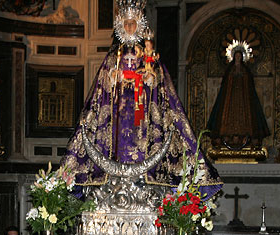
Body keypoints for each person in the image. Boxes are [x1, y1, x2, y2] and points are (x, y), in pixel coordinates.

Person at [59, 0, 222, 197]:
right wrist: (112, 79)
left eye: (133, 23)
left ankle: (147, 181)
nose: (129, 27)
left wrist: (150, 79)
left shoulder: (149, 56)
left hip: (142, 113)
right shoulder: (113, 57)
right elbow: (101, 89)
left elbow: (161, 87)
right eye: (126, 23)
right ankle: (111, 179)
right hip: (117, 115)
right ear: (120, 25)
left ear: (139, 25)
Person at [206, 45, 270, 150]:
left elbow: (249, 84)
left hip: (243, 97)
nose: (238, 58)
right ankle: (227, 137)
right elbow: (225, 84)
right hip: (230, 98)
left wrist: (241, 78)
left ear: (242, 57)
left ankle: (246, 137)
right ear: (234, 57)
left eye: (240, 56)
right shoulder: (230, 69)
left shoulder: (245, 70)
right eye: (236, 56)